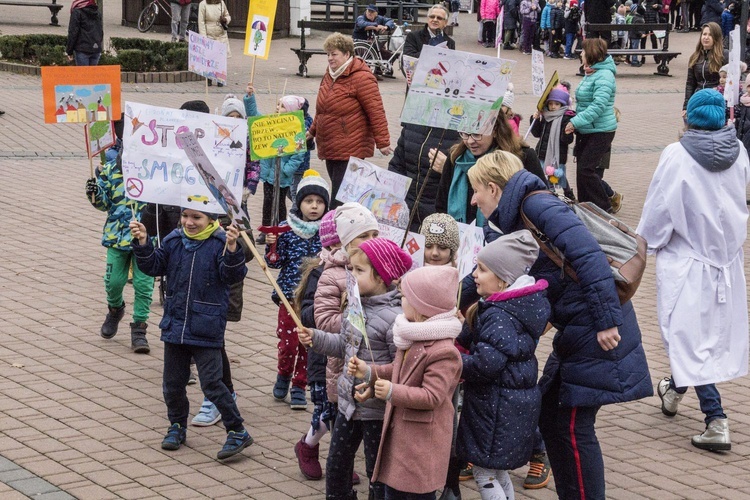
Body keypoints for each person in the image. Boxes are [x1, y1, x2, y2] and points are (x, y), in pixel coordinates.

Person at [463, 150, 652, 499]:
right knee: (554, 417)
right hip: (582, 326)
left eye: (475, 190)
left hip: (597, 327)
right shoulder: (515, 218)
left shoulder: (535, 206)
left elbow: (587, 254)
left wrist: (607, 320)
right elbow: (487, 273)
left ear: (492, 187)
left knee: (569, 425)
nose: (472, 199)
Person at [637, 89, 749, 452]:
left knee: (687, 338)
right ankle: (673, 390)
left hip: (687, 259)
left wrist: (644, 244)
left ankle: (716, 419)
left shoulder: (677, 155)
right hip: (726, 260)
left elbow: (660, 209)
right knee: (697, 337)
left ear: (690, 117)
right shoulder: (740, 154)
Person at [129, 209, 253, 460]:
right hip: (175, 324)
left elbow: (232, 275)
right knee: (172, 384)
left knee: (213, 383)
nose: (189, 222)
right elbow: (154, 266)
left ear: (211, 220)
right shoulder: (174, 240)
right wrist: (143, 243)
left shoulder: (220, 242)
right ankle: (176, 425)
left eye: (196, 217)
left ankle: (237, 430)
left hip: (206, 326)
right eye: (186, 216)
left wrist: (232, 248)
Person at [298, 238, 411, 500]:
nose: (351, 275)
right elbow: (344, 344)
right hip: (348, 406)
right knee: (337, 467)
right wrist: (315, 337)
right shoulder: (355, 306)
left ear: (382, 276)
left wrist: (370, 374)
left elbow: (401, 368)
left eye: (359, 270)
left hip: (376, 412)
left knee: (376, 473)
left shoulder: (395, 319)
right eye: (351, 269)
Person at [347, 265, 463, 499]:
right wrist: (370, 373)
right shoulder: (410, 335)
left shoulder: (444, 351)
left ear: (422, 308)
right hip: (402, 448)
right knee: (393, 493)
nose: (401, 301)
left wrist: (392, 392)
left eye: (406, 298)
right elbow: (399, 371)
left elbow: (432, 396)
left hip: (421, 449)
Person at [457, 230, 549, 500]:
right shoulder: (516, 307)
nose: (475, 274)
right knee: (497, 471)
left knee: (484, 473)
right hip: (507, 402)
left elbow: (487, 364)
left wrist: (454, 362)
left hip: (495, 407)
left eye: (482, 269)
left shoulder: (499, 315)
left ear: (503, 279)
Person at [390, 4, 459, 232]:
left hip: (438, 105)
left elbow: (451, 68)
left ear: (445, 22)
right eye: (432, 16)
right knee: (409, 143)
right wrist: (435, 53)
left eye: (440, 18)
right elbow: (408, 62)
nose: (435, 20)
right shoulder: (415, 36)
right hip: (417, 101)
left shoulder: (451, 42)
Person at [265, 171, 330, 410]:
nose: (314, 206)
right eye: (308, 201)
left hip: (316, 297)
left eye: (320, 202)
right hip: (289, 297)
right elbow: (273, 263)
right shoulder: (286, 228)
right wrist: (272, 247)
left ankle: (300, 385)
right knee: (288, 342)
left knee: (308, 343)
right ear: (298, 202)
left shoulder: (328, 231)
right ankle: (283, 373)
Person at [308, 33, 391, 207]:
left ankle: (339, 231)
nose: (330, 58)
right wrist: (312, 131)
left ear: (347, 54)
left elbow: (376, 111)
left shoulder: (362, 77)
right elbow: (323, 110)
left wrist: (383, 141)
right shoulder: (330, 75)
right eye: (328, 54)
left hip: (350, 146)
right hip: (330, 145)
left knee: (340, 199)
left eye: (334, 54)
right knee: (340, 193)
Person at [85, 149, 154, 354]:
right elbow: (104, 203)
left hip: (146, 238)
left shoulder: (153, 171)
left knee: (143, 284)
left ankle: (139, 328)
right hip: (117, 237)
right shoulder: (109, 171)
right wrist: (94, 193)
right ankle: (115, 309)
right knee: (113, 281)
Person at [434, 114, 547, 227]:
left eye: (477, 134)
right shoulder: (456, 158)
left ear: (495, 129)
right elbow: (441, 205)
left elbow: (541, 204)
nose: (470, 141)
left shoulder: (522, 157)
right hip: (460, 239)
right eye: (465, 133)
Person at [564, 37, 618, 212]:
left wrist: (575, 122)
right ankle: (586, 206)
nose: (581, 54)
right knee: (582, 170)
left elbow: (598, 106)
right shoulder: (591, 72)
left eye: (583, 51)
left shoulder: (604, 75)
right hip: (587, 129)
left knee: (586, 170)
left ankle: (603, 206)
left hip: (600, 130)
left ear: (592, 54)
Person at [530, 86, 576, 199]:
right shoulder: (545, 116)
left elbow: (567, 140)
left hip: (557, 154)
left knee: (559, 176)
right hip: (542, 152)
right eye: (550, 103)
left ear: (562, 105)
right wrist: (534, 119)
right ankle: (551, 193)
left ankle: (568, 192)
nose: (553, 106)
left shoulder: (566, 118)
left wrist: (567, 133)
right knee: (543, 174)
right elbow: (537, 133)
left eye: (556, 104)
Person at [682, 22, 727, 116]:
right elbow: (690, 83)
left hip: (715, 100)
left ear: (716, 37)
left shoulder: (724, 56)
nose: (706, 37)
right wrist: (686, 106)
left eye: (710, 35)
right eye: (704, 34)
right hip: (698, 99)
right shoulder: (695, 57)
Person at [198, 0, 231, 86]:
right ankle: (209, 78)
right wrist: (204, 38)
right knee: (210, 57)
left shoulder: (221, 3)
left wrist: (225, 20)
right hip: (209, 34)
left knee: (220, 57)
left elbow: (227, 15)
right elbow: (201, 23)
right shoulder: (203, 4)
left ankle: (220, 78)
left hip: (221, 34)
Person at [66, 0, 103, 66]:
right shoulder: (97, 12)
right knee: (92, 75)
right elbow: (100, 31)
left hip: (82, 49)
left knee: (83, 75)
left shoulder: (77, 12)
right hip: (96, 49)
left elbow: (73, 32)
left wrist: (69, 51)